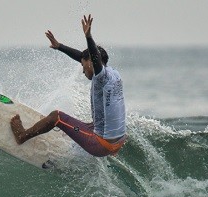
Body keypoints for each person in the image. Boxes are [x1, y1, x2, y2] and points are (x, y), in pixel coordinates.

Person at [10, 14, 126, 157]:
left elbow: (93, 58)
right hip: (117, 143)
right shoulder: (113, 74)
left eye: (84, 66)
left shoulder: (101, 76)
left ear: (91, 62)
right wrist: (59, 46)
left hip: (101, 145)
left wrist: (89, 37)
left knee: (56, 116)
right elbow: (85, 58)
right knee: (89, 124)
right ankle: (63, 132)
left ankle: (22, 136)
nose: (83, 70)